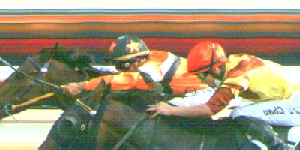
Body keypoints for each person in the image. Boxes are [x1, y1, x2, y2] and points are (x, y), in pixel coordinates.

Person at [150, 41, 300, 150]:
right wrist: (173, 103)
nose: (201, 81)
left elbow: (208, 110)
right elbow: (208, 97)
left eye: (201, 76)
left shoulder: (237, 74)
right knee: (238, 112)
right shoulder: (230, 65)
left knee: (239, 114)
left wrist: (172, 111)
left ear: (215, 69)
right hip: (291, 98)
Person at [61, 35, 205, 100]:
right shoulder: (154, 57)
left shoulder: (149, 69)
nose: (119, 70)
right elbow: (118, 75)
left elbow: (127, 79)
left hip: (203, 95)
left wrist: (82, 85)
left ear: (138, 61)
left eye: (121, 65)